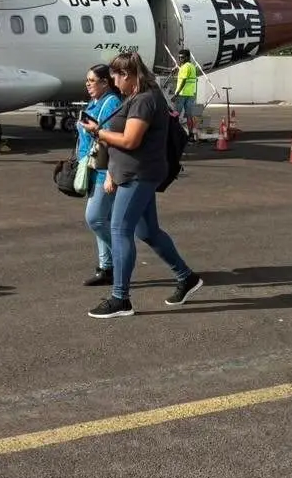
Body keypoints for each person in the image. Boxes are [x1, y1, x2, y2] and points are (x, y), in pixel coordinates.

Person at [82, 50, 204, 318]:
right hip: (133, 173)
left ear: (127, 75)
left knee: (119, 229)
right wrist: (112, 168)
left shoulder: (145, 101)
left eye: (115, 76)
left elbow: (130, 141)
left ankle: (120, 299)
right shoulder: (137, 97)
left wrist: (98, 132)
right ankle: (187, 278)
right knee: (148, 231)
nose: (114, 82)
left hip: (140, 174)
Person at [75, 64, 124, 287]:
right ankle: (106, 268)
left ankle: (123, 254)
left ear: (105, 82)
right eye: (87, 80)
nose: (88, 84)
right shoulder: (94, 102)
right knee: (101, 219)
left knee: (94, 218)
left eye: (92, 80)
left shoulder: (111, 102)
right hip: (91, 167)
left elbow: (113, 141)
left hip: (103, 169)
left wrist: (110, 175)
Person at [172, 49, 201, 142]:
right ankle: (191, 134)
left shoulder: (185, 67)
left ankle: (174, 135)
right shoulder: (192, 66)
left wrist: (176, 94)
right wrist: (177, 69)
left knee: (175, 115)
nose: (180, 59)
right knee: (189, 116)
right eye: (179, 57)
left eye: (182, 57)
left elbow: (183, 80)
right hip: (191, 94)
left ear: (187, 57)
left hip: (182, 94)